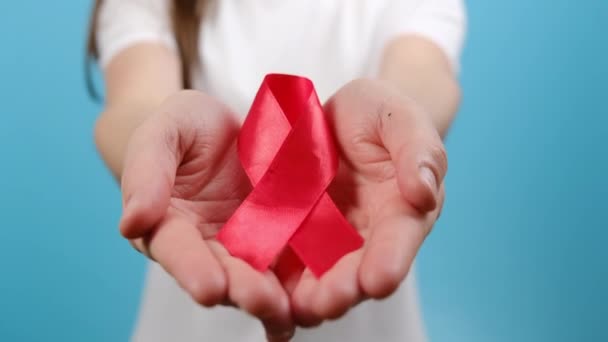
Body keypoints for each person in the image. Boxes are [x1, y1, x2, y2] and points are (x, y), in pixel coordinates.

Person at [88, 0, 466, 341]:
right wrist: (151, 150)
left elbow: (422, 74)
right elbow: (135, 103)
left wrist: (401, 126)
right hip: (189, 316)